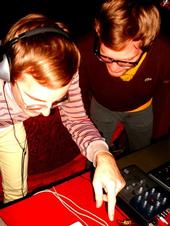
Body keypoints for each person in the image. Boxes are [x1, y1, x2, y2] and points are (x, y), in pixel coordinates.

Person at [0, 13, 125, 221]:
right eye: (35, 100)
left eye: (57, 100)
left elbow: (75, 120)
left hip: (8, 127)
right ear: (7, 72)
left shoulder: (66, 72)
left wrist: (103, 155)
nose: (47, 112)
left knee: (16, 197)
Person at [78, 0, 170, 152]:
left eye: (126, 61)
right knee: (94, 154)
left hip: (142, 110)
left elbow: (166, 95)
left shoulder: (164, 53)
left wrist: (159, 136)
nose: (113, 68)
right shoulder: (83, 49)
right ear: (98, 30)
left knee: (142, 154)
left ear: (149, 43)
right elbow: (79, 91)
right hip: (101, 107)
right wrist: (85, 121)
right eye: (105, 56)